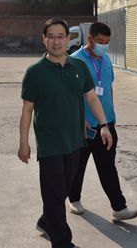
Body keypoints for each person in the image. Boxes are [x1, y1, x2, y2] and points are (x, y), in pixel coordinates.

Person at [18, 18, 113, 248]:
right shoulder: (35, 72)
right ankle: (62, 241)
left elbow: (92, 97)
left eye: (60, 36)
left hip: (75, 141)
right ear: (44, 39)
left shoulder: (79, 67)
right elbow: (27, 109)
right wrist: (23, 143)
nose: (56, 41)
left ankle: (46, 222)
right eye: (51, 36)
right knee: (53, 194)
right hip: (49, 144)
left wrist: (104, 125)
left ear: (67, 39)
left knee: (61, 191)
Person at [68, 22, 137, 221]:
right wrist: (80, 119)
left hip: (106, 124)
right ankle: (73, 199)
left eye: (107, 42)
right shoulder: (75, 60)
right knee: (77, 166)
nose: (104, 46)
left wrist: (110, 116)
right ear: (90, 39)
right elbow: (71, 95)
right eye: (100, 41)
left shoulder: (106, 59)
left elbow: (108, 87)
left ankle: (119, 208)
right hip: (83, 126)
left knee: (108, 167)